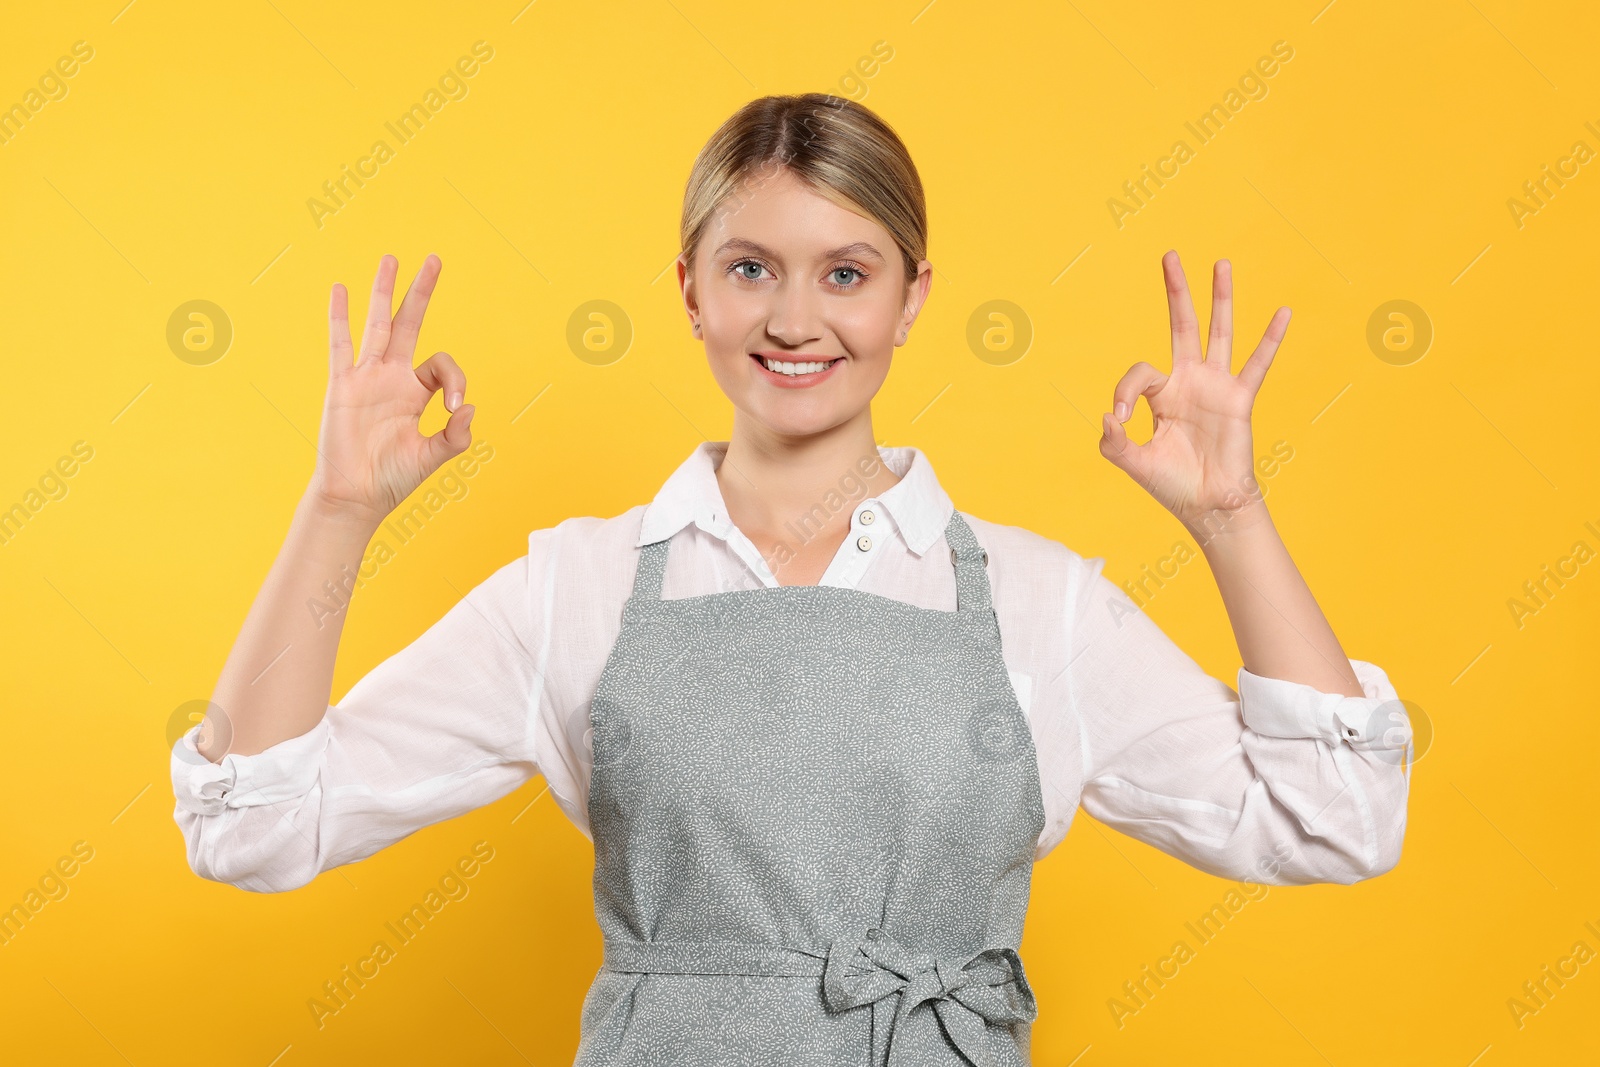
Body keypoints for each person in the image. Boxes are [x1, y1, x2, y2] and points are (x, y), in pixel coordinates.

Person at [171, 93, 1413, 1065]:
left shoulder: (1044, 605)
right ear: (690, 291)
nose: (794, 318)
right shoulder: (579, 589)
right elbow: (255, 824)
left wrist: (1231, 517)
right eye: (751, 267)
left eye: (847, 272)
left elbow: (1335, 822)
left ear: (913, 296)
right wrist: (337, 512)